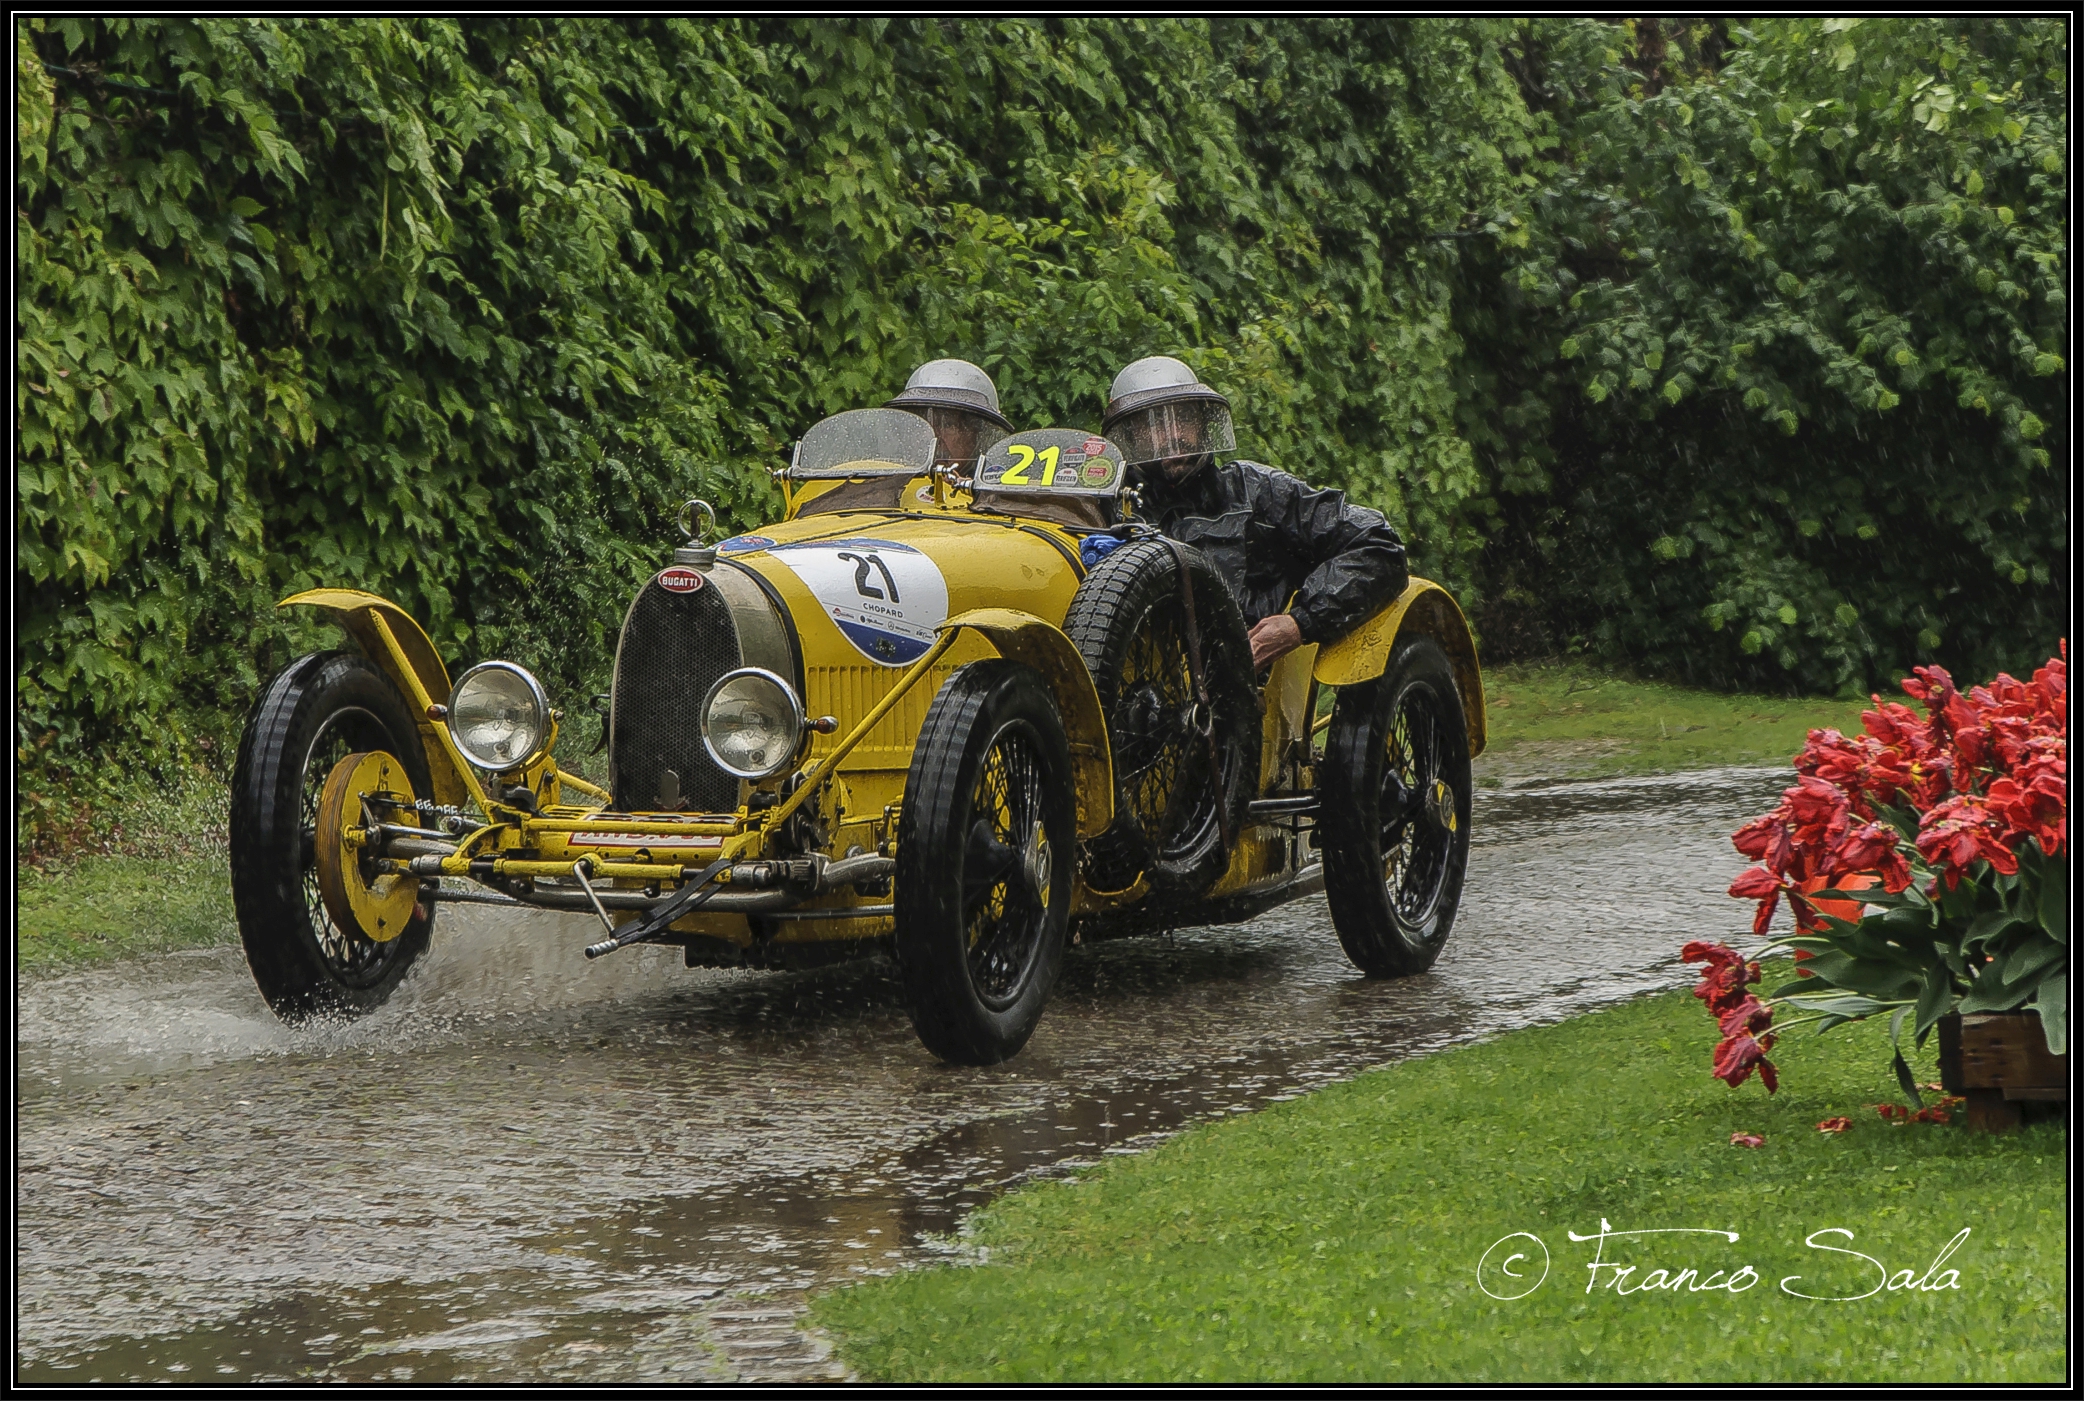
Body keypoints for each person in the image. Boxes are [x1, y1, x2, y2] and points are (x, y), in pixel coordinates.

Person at [1102, 356, 1410, 670]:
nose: (1172, 435)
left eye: (1183, 418)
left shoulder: (1257, 491)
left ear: (1203, 422)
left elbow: (1379, 543)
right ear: (1129, 436)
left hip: (1248, 685)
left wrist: (1298, 624)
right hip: (1138, 690)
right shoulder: (1105, 506)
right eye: (1153, 425)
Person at [887, 358, 1013, 473]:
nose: (934, 437)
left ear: (977, 435)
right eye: (921, 424)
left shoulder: (998, 492)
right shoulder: (886, 487)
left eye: (947, 424)